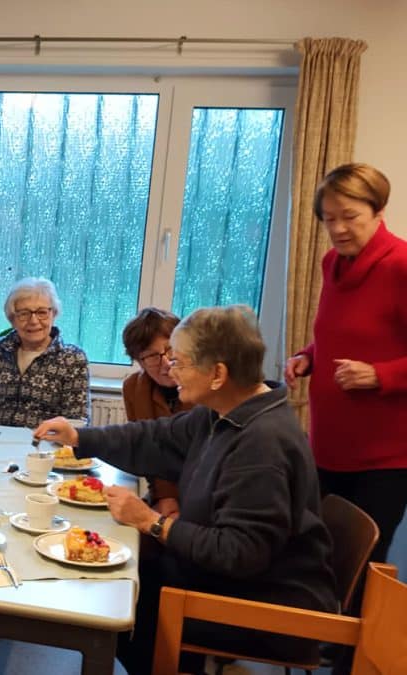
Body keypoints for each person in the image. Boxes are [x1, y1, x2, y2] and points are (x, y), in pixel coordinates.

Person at [35, 305, 336, 675]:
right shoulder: (225, 411)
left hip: (267, 604)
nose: (171, 371)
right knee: (116, 581)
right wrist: (80, 436)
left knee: (116, 611)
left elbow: (240, 553)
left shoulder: (262, 443)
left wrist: (152, 522)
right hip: (223, 579)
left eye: (180, 362)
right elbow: (156, 437)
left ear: (218, 374)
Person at [285, 162, 407, 564]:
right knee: (314, 560)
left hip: (383, 458)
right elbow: (338, 333)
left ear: (377, 211)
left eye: (350, 217)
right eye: (329, 219)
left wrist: (380, 374)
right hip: (327, 448)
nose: (338, 229)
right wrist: (308, 356)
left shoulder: (400, 266)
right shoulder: (332, 264)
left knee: (356, 570)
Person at [0, 277, 89, 427]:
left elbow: (77, 421)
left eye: (42, 312)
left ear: (54, 314)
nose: (33, 321)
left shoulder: (72, 359)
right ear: (12, 319)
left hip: (44, 446)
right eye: (24, 313)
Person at [120, 307, 194, 518]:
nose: (165, 364)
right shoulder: (133, 388)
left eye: (170, 349)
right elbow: (148, 451)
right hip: (162, 495)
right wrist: (166, 497)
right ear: (139, 362)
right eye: (152, 356)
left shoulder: (203, 384)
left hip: (203, 498)